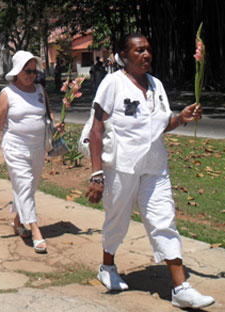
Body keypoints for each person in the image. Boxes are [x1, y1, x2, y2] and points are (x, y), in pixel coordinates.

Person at [85, 33, 214, 309]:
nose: (146, 55)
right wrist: (96, 174)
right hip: (121, 166)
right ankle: (107, 267)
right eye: (139, 51)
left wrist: (180, 118)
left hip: (154, 167)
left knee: (164, 220)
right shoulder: (113, 84)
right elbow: (96, 130)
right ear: (124, 55)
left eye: (148, 51)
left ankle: (181, 288)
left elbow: (160, 124)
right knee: (117, 217)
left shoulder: (157, 85)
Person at [0, 50, 62, 254]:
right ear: (17, 71)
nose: (31, 75)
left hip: (37, 147)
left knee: (30, 186)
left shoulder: (39, 90)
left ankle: (18, 221)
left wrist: (56, 125)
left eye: (34, 72)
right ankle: (35, 229)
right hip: (15, 147)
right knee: (25, 185)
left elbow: (49, 112)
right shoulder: (7, 94)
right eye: (27, 71)